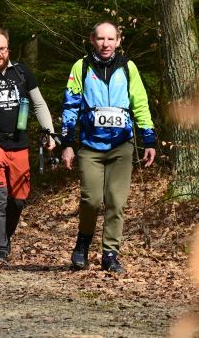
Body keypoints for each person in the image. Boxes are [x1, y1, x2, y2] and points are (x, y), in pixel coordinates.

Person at [60, 21, 156, 273]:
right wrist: (67, 143)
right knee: (91, 200)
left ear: (118, 41)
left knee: (116, 201)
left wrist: (149, 139)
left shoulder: (128, 67)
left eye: (111, 39)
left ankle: (110, 254)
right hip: (91, 146)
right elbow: (70, 106)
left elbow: (140, 102)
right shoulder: (81, 67)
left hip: (121, 145)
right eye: (101, 39)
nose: (106, 44)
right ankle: (82, 243)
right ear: (92, 40)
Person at [0, 27, 56, 265]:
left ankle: (5, 237)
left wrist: (50, 132)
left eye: (2, 48)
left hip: (19, 145)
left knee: (18, 199)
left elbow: (39, 104)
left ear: (8, 49)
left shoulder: (22, 73)